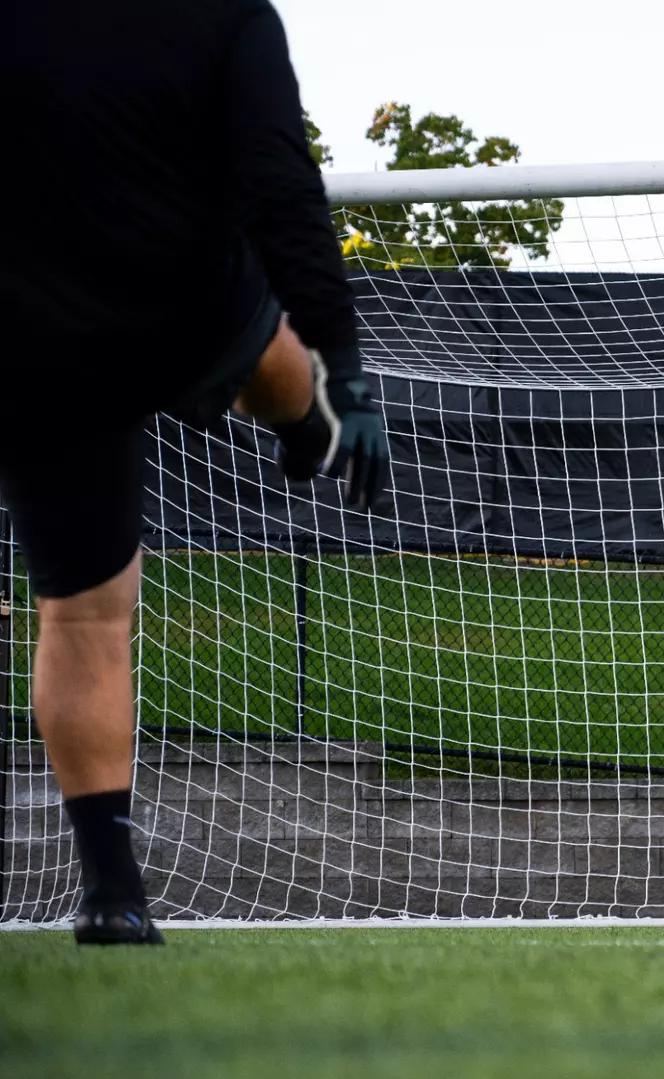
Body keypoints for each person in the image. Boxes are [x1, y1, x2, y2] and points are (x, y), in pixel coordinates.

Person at [0, 0, 389, 944]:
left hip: (41, 331)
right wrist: (344, 363)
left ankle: (112, 893)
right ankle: (303, 419)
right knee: (267, 344)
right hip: (170, 299)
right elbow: (279, 186)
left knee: (84, 612)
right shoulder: (224, 14)